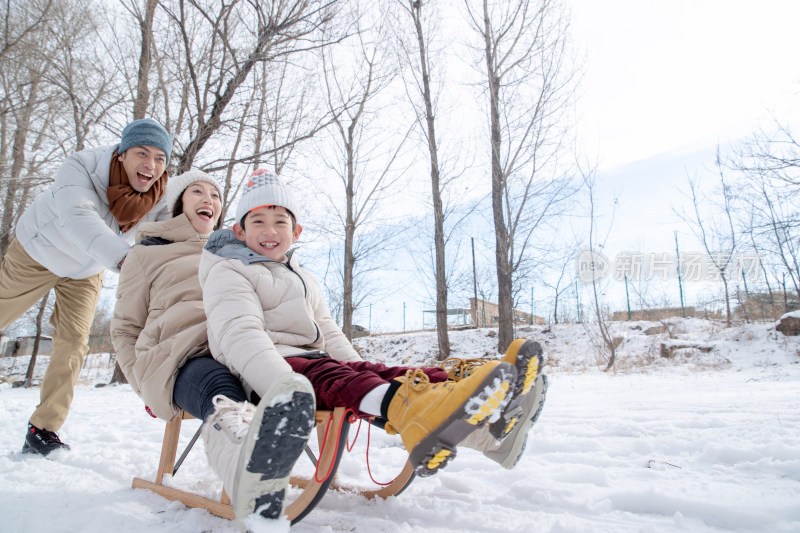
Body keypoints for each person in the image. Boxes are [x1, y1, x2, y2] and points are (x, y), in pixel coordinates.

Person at [196, 169, 548, 521]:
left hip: (318, 365)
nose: (270, 231)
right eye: (257, 221)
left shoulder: (302, 275)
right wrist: (283, 389)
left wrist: (359, 368)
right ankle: (414, 412)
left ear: (296, 231)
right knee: (338, 376)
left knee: (384, 374)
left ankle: (494, 425)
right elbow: (240, 336)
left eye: (280, 221)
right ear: (240, 231)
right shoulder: (229, 270)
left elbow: (330, 333)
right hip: (271, 375)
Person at [110, 170, 312, 528]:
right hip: (183, 354)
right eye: (197, 192)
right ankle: (243, 470)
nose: (209, 200)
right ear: (178, 203)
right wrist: (141, 379)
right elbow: (125, 328)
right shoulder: (148, 253)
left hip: (242, 344)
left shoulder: (240, 252)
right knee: (222, 388)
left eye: (216, 195)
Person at [0, 118, 174, 456]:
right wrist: (127, 261)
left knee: (74, 341)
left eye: (160, 158)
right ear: (122, 154)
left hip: (86, 270)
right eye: (142, 153)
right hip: (39, 252)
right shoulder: (82, 166)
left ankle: (43, 429)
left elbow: (170, 234)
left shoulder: (160, 196)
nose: (151, 166)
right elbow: (77, 217)